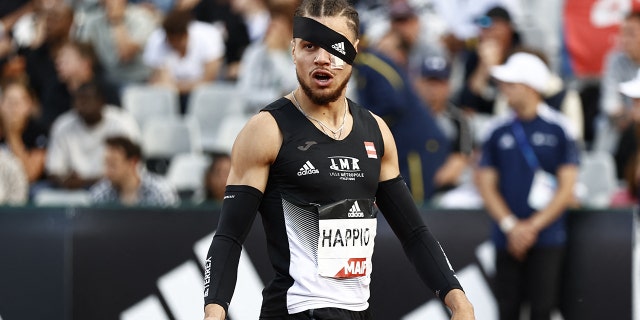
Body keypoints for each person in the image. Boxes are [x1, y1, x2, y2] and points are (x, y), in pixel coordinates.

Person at [202, 1, 476, 319]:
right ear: (293, 50)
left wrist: (459, 301)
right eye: (309, 46)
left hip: (356, 311)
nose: (322, 58)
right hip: (296, 312)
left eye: (335, 46)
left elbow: (414, 233)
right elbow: (229, 236)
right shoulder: (267, 129)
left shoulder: (376, 132)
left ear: (354, 51)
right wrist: (214, 310)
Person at [474, 52, 579, 320]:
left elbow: (567, 187)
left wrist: (530, 227)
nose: (503, 89)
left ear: (530, 87)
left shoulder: (560, 128)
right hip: (506, 235)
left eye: (511, 84)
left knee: (543, 310)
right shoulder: (496, 129)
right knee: (506, 309)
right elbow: (485, 183)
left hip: (546, 236)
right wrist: (512, 226)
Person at [355, 30, 450, 202]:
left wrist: (363, 122)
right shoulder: (368, 63)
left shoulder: (371, 63)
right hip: (410, 143)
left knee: (416, 204)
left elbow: (394, 103)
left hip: (418, 143)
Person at [46, 80, 140, 190]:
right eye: (78, 100)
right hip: (72, 189)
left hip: (112, 186)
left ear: (101, 102)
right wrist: (65, 180)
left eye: (87, 100)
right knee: (40, 190)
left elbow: (133, 166)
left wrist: (85, 181)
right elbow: (53, 170)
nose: (81, 104)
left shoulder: (122, 122)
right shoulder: (62, 124)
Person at [142, 9, 225, 113]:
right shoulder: (157, 40)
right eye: (171, 41)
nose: (174, 45)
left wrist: (177, 88)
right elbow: (159, 81)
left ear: (186, 35)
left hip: (204, 96)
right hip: (173, 98)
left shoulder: (208, 35)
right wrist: (172, 87)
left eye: (177, 41)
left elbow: (208, 80)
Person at [414, 54, 473, 192]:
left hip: (445, 190)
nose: (433, 90)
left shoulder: (458, 119)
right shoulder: (405, 116)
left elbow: (461, 158)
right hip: (405, 186)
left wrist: (430, 183)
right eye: (429, 82)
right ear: (418, 83)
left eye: (439, 83)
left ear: (448, 86)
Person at [596, 11, 640, 153]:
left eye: (631, 34)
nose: (625, 40)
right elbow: (609, 103)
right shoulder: (614, 60)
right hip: (622, 125)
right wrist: (631, 114)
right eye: (623, 34)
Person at [90, 135, 178, 206]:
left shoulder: (159, 192)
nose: (107, 171)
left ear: (133, 162)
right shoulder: (101, 192)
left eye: (113, 164)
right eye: (106, 164)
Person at [0, 79, 48, 184]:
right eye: (9, 101)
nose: (13, 107)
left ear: (29, 105)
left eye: (18, 102)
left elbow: (29, 174)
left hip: (28, 189)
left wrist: (13, 135)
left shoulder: (39, 132)